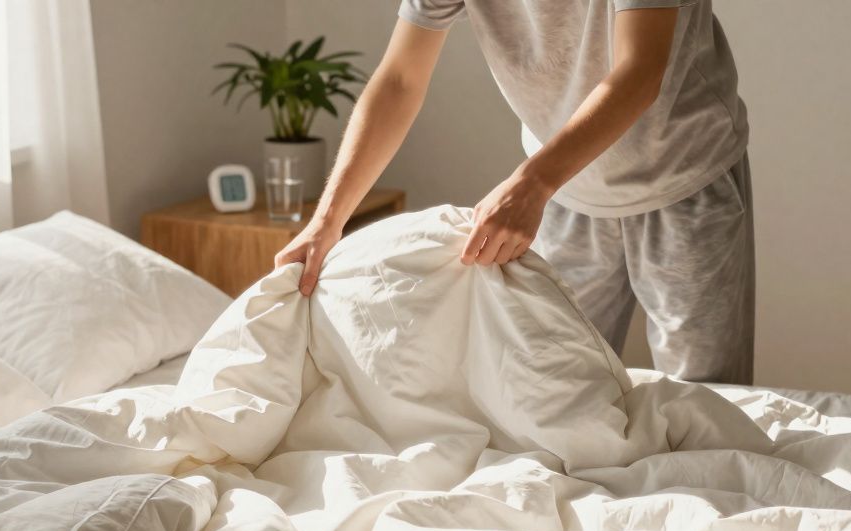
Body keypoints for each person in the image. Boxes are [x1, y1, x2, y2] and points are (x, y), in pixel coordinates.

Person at [274, 0, 754, 384]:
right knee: (556, 393)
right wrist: (327, 221)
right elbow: (400, 80)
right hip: (564, 193)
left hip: (683, 181)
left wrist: (530, 183)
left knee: (708, 400)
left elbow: (639, 72)